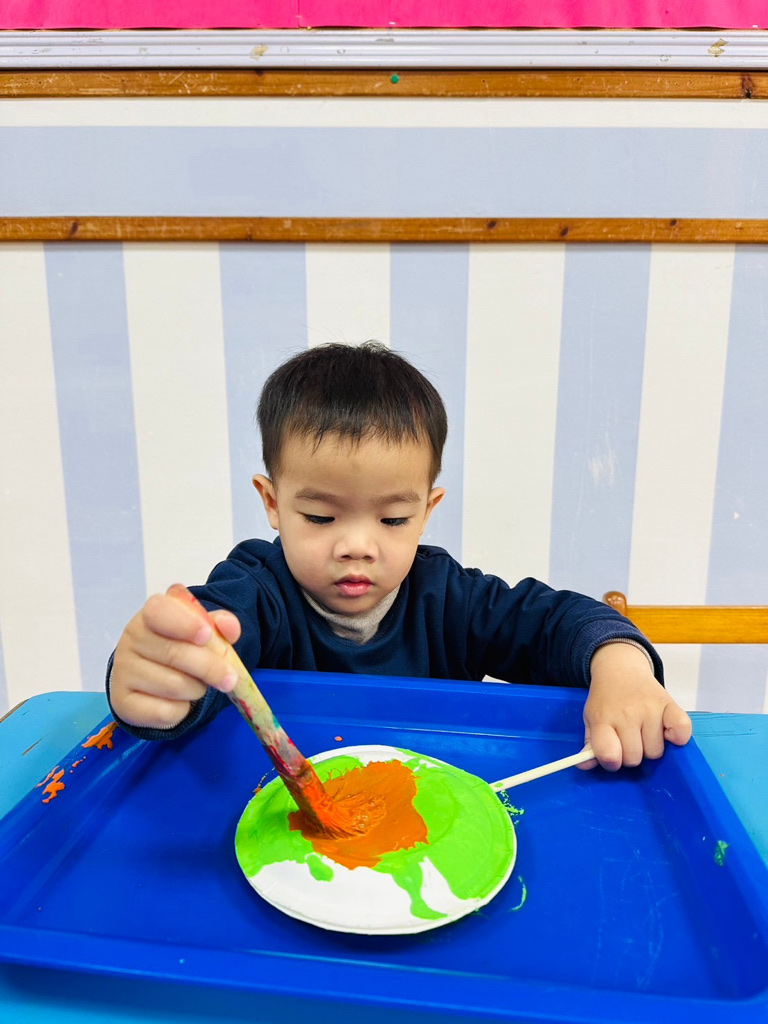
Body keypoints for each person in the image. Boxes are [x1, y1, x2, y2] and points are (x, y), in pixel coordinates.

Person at [108, 342, 691, 771]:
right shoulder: (257, 589)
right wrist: (158, 680)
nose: (358, 545)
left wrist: (621, 667)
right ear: (273, 503)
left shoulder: (449, 597)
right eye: (320, 517)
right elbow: (207, 643)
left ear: (427, 510)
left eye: (392, 520)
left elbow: (558, 621)